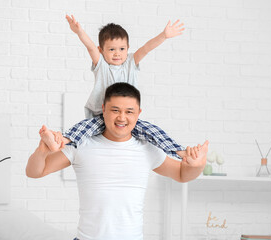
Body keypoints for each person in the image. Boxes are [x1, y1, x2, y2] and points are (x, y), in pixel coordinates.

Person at [26, 83, 209, 240]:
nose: (122, 118)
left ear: (138, 113)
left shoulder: (146, 148)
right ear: (103, 109)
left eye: (129, 111)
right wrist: (41, 150)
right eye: (115, 110)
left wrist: (197, 164)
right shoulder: (81, 146)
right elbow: (35, 172)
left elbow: (182, 174)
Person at [40, 14, 186, 159]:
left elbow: (146, 48)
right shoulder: (101, 65)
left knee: (151, 130)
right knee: (84, 128)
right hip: (102, 116)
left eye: (122, 49)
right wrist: (79, 32)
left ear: (128, 48)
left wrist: (164, 35)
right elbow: (90, 47)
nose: (117, 53)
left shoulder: (131, 63)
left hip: (127, 116)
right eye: (111, 50)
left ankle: (180, 152)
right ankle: (60, 141)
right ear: (101, 50)